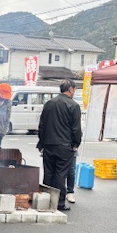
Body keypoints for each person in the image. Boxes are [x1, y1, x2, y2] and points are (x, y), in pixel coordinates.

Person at [37, 79, 82, 212]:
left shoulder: (49, 103)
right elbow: (76, 129)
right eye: (74, 90)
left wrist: (42, 142)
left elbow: (42, 125)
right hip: (64, 146)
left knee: (48, 173)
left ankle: (45, 200)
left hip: (48, 145)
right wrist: (75, 144)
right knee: (61, 175)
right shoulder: (74, 106)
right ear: (70, 89)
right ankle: (59, 203)